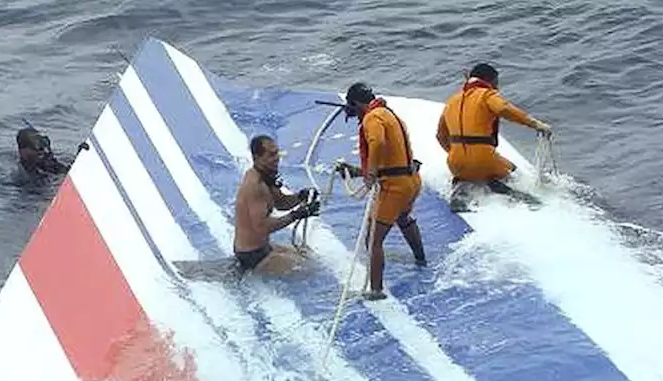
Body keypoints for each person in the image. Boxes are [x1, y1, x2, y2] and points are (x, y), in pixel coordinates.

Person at [336, 82, 428, 301]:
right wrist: (358, 172)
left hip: (394, 188)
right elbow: (392, 161)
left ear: (357, 104)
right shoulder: (388, 113)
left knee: (373, 239)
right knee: (404, 218)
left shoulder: (372, 118)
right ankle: (421, 259)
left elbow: (377, 142)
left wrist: (370, 174)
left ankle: (375, 291)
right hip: (411, 181)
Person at [436, 62, 552, 211]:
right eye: (496, 83)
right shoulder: (487, 95)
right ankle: (501, 187)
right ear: (489, 81)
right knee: (513, 171)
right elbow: (503, 108)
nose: (497, 88)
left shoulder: (451, 101)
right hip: (485, 161)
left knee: (467, 174)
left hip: (455, 164)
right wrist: (535, 124)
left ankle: (461, 188)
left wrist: (457, 153)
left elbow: (440, 136)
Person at [233, 134, 321, 274]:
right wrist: (296, 215)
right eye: (271, 155)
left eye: (277, 153)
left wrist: (300, 196)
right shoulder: (254, 185)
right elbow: (261, 227)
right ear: (257, 157)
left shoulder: (266, 175)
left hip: (264, 247)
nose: (277, 158)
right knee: (307, 270)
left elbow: (281, 203)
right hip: (252, 256)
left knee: (307, 255)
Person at [17, 126, 87, 178]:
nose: (42, 151)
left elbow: (63, 170)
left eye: (43, 143)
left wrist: (79, 157)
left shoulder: (45, 161)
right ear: (23, 151)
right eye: (36, 146)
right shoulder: (24, 173)